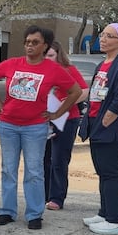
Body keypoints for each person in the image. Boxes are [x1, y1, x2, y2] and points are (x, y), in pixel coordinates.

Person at [0, 26, 80, 230]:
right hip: (8, 125)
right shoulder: (13, 64)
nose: (29, 45)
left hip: (35, 128)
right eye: (27, 41)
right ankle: (7, 211)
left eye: (35, 42)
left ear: (45, 46)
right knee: (8, 170)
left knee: (34, 171)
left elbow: (74, 91)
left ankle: (34, 214)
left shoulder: (53, 69)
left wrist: (57, 113)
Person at [78, 24, 118, 235]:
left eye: (109, 36)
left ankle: (115, 219)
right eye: (102, 35)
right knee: (102, 173)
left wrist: (105, 121)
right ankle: (104, 213)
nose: (103, 39)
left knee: (112, 174)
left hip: (109, 129)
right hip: (95, 125)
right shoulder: (101, 64)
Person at [44, 41, 88, 211]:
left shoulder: (68, 70)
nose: (47, 58)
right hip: (44, 120)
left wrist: (65, 104)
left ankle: (57, 197)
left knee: (59, 159)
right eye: (44, 55)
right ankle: (44, 194)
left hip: (66, 120)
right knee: (44, 159)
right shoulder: (39, 70)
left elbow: (83, 91)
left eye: (50, 55)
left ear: (58, 55)